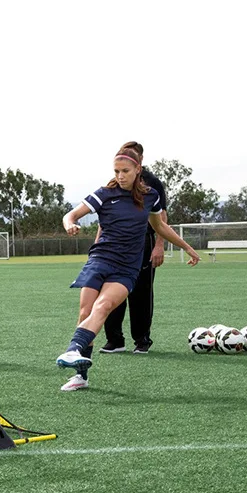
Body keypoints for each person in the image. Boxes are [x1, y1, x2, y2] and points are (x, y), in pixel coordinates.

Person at [57, 147, 200, 391]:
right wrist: (70, 224)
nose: (121, 175)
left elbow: (161, 227)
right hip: (100, 259)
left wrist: (187, 247)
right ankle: (81, 376)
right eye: (116, 171)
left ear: (137, 171)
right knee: (85, 313)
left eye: (125, 171)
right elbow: (71, 214)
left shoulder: (150, 196)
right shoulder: (104, 194)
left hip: (126, 267)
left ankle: (72, 350)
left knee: (102, 307)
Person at [100, 141, 168, 355]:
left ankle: (142, 340)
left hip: (143, 242)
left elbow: (161, 218)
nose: (122, 172)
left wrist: (159, 245)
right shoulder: (114, 185)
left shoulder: (152, 184)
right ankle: (115, 340)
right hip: (115, 245)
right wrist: (97, 245)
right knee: (111, 289)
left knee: (141, 292)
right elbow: (105, 218)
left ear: (140, 162)